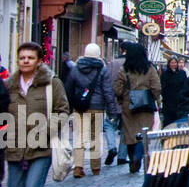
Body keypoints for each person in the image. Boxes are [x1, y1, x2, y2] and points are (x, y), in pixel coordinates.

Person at [5, 41, 68, 187]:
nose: (25, 61)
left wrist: (46, 131)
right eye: (22, 58)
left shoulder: (51, 83)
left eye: (30, 58)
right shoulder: (9, 85)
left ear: (39, 61)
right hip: (14, 147)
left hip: (41, 148)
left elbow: (62, 110)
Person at [64, 43, 117, 178]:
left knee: (79, 137)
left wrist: (69, 107)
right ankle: (95, 167)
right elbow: (107, 91)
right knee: (95, 138)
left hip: (80, 107)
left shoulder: (76, 69)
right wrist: (112, 110)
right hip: (97, 108)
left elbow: (68, 89)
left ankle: (78, 167)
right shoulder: (102, 69)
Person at [113, 42, 162, 174]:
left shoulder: (124, 69)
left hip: (128, 105)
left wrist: (122, 98)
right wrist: (155, 98)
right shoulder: (150, 68)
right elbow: (156, 87)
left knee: (129, 134)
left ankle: (132, 159)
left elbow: (117, 88)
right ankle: (137, 156)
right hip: (146, 105)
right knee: (143, 133)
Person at [104, 53, 125, 166]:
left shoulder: (111, 64)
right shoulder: (131, 64)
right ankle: (122, 156)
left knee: (109, 125)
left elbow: (106, 83)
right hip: (126, 103)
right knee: (125, 128)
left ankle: (112, 147)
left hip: (113, 102)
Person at [159, 57, 188, 127]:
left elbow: (185, 86)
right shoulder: (165, 74)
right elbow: (163, 88)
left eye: (175, 62)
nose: (173, 64)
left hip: (179, 102)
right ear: (169, 64)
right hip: (168, 103)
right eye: (172, 62)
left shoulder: (182, 73)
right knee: (168, 123)